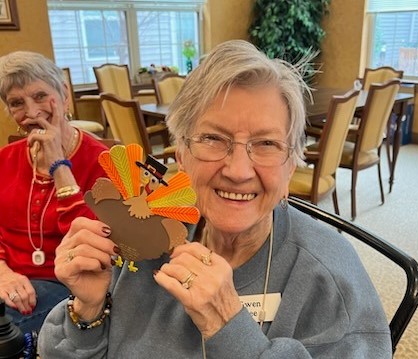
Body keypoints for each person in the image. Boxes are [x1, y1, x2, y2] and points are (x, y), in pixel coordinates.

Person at [38, 40, 392, 358]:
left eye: (267, 144)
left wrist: (231, 329)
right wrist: (89, 309)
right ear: (181, 156)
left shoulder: (328, 278)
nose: (238, 170)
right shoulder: (140, 237)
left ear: (291, 165)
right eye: (213, 139)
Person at [0, 51, 108, 334]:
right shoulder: (5, 158)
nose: (32, 112)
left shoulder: (104, 162)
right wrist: (3, 273)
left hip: (70, 285)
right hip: (7, 280)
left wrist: (59, 166)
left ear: (64, 94)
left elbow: (96, 247)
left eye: (39, 96)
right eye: (16, 103)